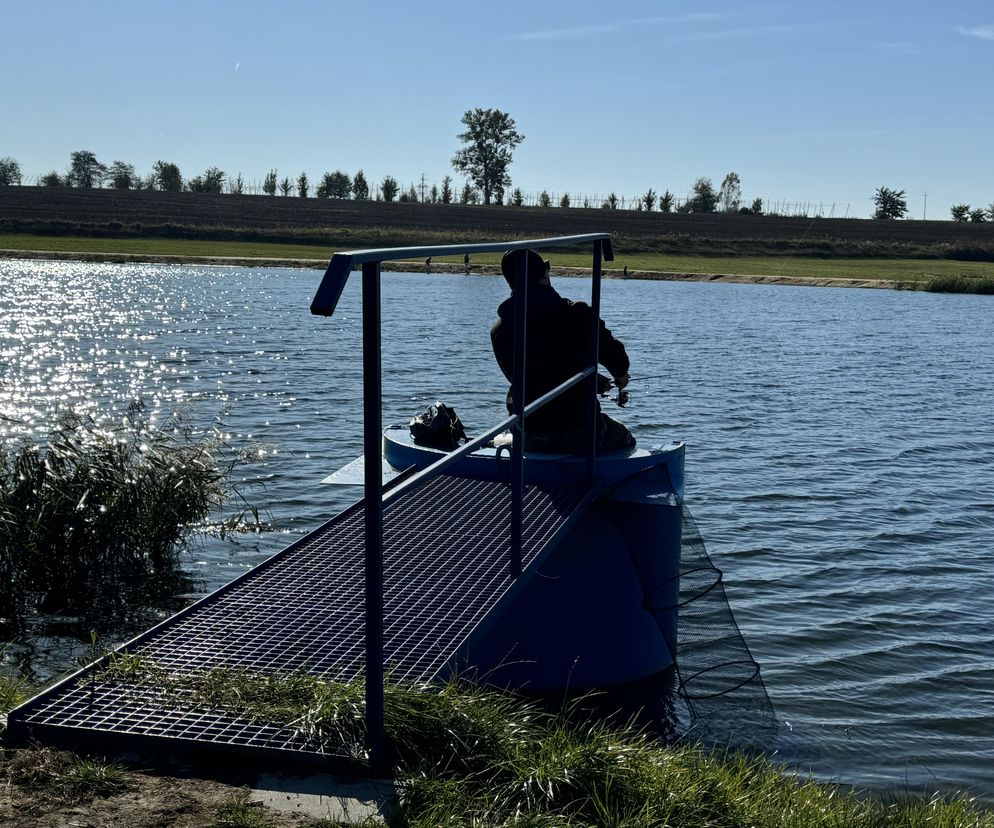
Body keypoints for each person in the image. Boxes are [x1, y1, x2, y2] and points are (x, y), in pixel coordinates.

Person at [491, 248, 635, 454]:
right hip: (579, 431)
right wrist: (620, 375)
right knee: (626, 438)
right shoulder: (578, 314)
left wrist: (591, 381)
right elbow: (618, 361)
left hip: (530, 431)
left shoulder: (500, 329)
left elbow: (531, 377)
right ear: (545, 273)